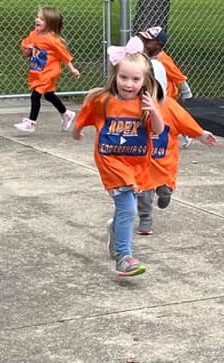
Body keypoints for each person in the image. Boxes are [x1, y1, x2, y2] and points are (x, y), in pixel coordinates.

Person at [72, 36, 164, 278]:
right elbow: (82, 118)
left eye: (135, 79)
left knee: (125, 208)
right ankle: (124, 257)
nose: (128, 83)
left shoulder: (145, 104)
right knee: (128, 209)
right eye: (124, 77)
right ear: (116, 76)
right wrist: (76, 130)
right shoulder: (103, 101)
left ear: (144, 81)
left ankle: (115, 232)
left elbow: (157, 129)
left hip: (136, 165)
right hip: (111, 163)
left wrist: (153, 111)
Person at [135, 98, 217, 235]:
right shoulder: (134, 104)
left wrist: (200, 134)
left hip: (165, 161)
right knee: (143, 192)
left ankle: (165, 193)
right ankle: (145, 218)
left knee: (165, 187)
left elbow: (185, 122)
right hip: (144, 160)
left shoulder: (169, 106)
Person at [15, 7, 81, 133]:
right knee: (49, 95)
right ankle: (66, 114)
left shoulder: (52, 39)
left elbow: (63, 54)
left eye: (42, 19)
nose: (37, 20)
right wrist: (27, 50)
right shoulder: (33, 34)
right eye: (38, 17)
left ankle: (31, 123)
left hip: (50, 71)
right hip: (39, 69)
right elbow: (27, 48)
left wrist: (72, 68)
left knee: (36, 95)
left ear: (50, 24)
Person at [138, 26, 193, 102]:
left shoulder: (163, 59)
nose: (144, 42)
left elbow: (178, 77)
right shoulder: (141, 54)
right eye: (144, 39)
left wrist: (187, 94)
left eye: (148, 40)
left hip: (166, 97)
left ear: (159, 45)